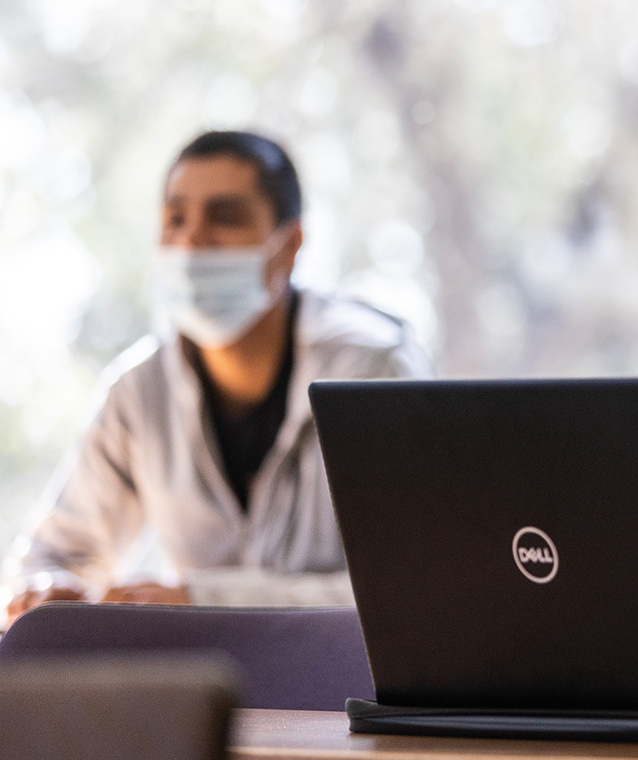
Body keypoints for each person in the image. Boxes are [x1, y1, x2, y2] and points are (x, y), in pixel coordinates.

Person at [3, 131, 431, 622]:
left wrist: (200, 599)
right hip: (205, 692)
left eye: (224, 218)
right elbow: (54, 558)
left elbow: (421, 584)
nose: (191, 241)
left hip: (350, 693)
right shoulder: (139, 392)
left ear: (289, 246)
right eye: (175, 219)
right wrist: (47, 590)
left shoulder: (374, 369)